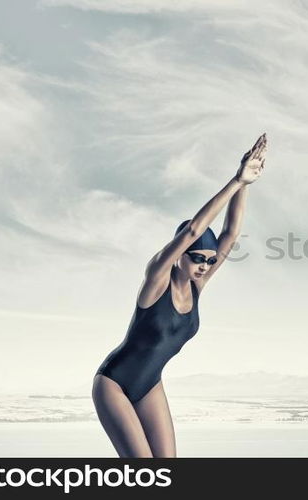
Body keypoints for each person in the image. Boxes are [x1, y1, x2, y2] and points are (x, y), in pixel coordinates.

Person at [91, 133, 267, 457]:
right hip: (113, 384)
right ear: (180, 256)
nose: (204, 265)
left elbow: (230, 234)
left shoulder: (198, 285)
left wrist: (246, 185)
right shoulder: (157, 279)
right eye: (197, 257)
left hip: (150, 385)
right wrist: (233, 180)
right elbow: (193, 231)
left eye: (209, 260)